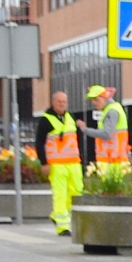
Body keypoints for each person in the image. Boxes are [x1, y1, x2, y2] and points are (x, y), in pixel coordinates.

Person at [33, 89, 82, 236]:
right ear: (53, 103)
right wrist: (44, 163)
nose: (62, 104)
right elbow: (39, 142)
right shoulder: (46, 120)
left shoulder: (70, 117)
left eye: (64, 102)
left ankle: (58, 215)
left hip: (74, 163)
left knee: (76, 191)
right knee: (60, 194)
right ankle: (62, 226)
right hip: (57, 164)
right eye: (59, 101)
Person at [87, 85, 129, 182]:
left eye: (96, 99)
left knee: (111, 191)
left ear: (104, 97)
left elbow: (106, 134)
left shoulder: (111, 111)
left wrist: (86, 130)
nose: (93, 103)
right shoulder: (113, 109)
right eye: (92, 100)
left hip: (112, 160)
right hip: (114, 159)